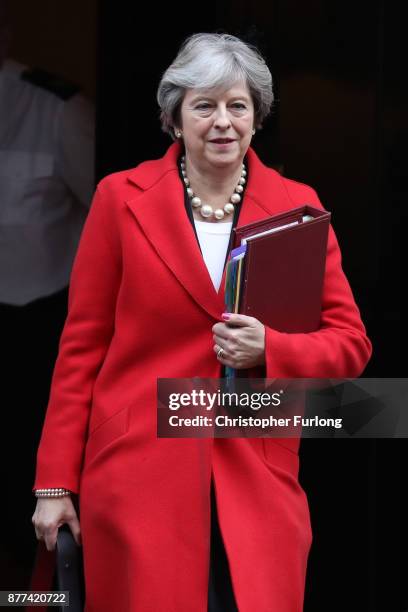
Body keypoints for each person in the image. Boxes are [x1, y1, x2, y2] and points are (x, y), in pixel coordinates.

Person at [32, 33, 371, 611]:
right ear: (174, 118)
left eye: (237, 106)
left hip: (256, 472)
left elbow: (351, 345)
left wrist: (272, 348)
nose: (223, 122)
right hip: (138, 471)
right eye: (204, 105)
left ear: (257, 118)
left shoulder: (299, 207)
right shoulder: (121, 198)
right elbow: (81, 348)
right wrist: (54, 484)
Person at [0, 0, 94, 585]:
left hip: (37, 324)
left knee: (28, 481)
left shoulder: (57, 108)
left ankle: (30, 596)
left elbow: (110, 224)